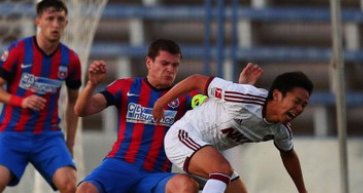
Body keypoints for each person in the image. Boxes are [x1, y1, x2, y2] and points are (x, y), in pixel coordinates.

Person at [74, 38, 263, 193]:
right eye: (165, 63)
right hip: (120, 165)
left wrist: (242, 89)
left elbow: (216, 108)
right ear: (149, 62)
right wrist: (91, 84)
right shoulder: (125, 87)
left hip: (156, 174)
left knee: (186, 186)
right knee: (85, 190)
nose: (170, 70)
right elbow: (82, 110)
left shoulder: (184, 96)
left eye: (175, 65)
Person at [152, 71, 312, 193]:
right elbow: (196, 81)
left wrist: (302, 191)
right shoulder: (244, 97)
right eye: (296, 102)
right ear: (277, 95)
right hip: (182, 136)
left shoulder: (281, 130)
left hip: (204, 153)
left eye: (303, 105)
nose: (299, 109)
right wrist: (160, 103)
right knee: (222, 169)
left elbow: (288, 154)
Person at [0, 0, 80, 193]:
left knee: (70, 185)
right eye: (50, 18)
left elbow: (73, 104)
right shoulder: (18, 50)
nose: (55, 24)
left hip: (48, 136)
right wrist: (21, 101)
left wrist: (69, 144)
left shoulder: (71, 60)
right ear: (38, 21)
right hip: (12, 133)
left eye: (60, 19)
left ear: (66, 23)